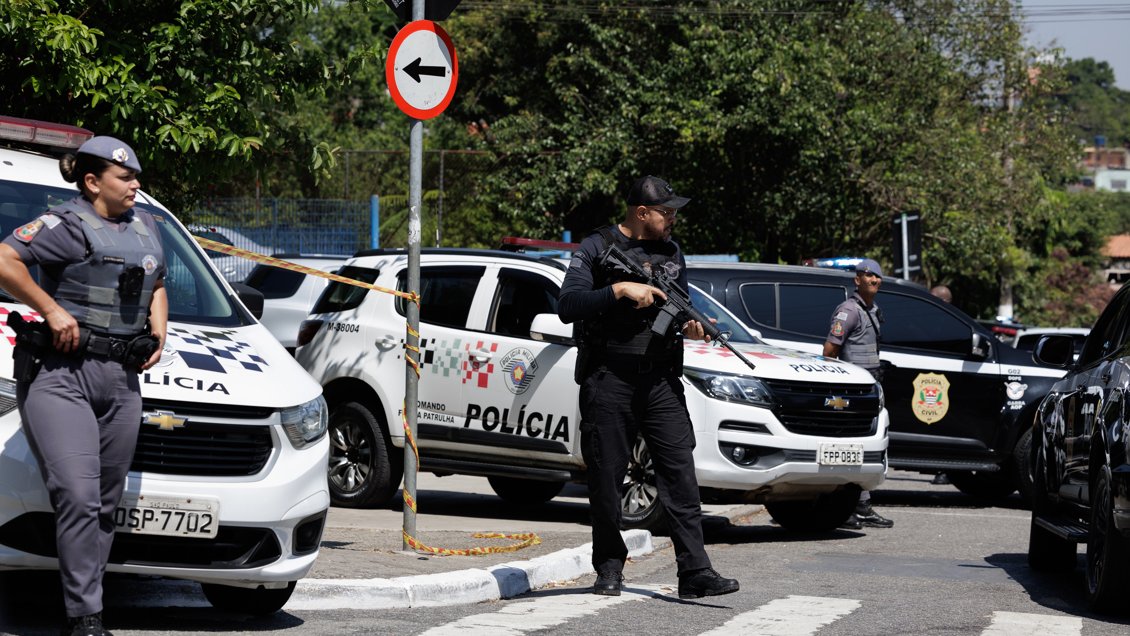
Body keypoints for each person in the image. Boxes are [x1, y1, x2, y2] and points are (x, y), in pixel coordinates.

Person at [0, 136, 167, 636]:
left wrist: (161, 331)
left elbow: (157, 282)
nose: (136, 184)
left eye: (136, 177)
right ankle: (85, 619)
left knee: (105, 501)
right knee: (78, 494)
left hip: (121, 381)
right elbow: (5, 260)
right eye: (125, 178)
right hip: (61, 375)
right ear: (93, 182)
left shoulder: (147, 225)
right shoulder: (64, 225)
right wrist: (49, 310)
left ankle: (86, 610)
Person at [558, 175, 739, 599]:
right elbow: (568, 305)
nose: (673, 218)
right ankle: (608, 567)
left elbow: (679, 307)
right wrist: (619, 289)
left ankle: (694, 571)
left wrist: (692, 329)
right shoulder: (596, 248)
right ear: (642, 213)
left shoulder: (672, 251)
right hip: (610, 378)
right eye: (666, 211)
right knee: (607, 479)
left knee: (680, 474)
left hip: (660, 380)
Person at [822, 259, 894, 530]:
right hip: (851, 391)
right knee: (848, 447)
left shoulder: (872, 310)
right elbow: (830, 352)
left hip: (869, 389)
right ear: (857, 280)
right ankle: (847, 507)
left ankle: (861, 503)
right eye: (868, 276)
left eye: (878, 277)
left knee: (867, 446)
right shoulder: (848, 311)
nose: (874, 281)